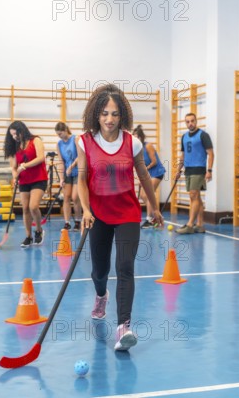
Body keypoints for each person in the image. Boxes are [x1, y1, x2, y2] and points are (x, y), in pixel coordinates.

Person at [77, 84, 163, 351]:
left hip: (127, 212)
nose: (109, 119)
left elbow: (144, 175)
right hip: (99, 214)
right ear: (96, 114)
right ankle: (101, 296)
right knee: (99, 271)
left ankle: (124, 326)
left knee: (125, 266)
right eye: (104, 113)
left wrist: (155, 206)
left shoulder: (132, 142)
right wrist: (86, 210)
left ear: (121, 115)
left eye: (114, 114)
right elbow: (81, 179)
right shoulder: (85, 141)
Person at [3, 120, 47, 248]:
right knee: (26, 208)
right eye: (11, 135)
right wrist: (15, 174)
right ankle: (28, 236)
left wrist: (24, 166)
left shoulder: (36, 140)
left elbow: (40, 158)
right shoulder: (15, 147)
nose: (14, 137)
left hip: (39, 178)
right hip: (24, 181)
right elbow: (13, 167)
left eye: (15, 134)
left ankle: (38, 230)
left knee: (33, 206)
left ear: (22, 130)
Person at [176, 113, 214, 234]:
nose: (190, 123)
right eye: (187, 121)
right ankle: (200, 224)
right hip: (188, 169)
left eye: (192, 121)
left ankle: (190, 225)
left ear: (196, 121)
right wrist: (178, 170)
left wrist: (209, 170)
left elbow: (211, 153)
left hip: (199, 168)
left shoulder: (203, 135)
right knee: (196, 197)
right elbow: (183, 154)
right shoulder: (184, 137)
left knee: (193, 195)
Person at [132, 125, 166, 229]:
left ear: (141, 137)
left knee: (148, 193)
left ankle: (149, 219)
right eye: (134, 137)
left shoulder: (148, 146)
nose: (135, 139)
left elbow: (154, 161)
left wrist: (145, 169)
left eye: (137, 136)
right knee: (143, 195)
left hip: (157, 172)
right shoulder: (135, 149)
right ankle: (155, 214)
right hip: (147, 174)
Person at [55, 122, 82, 231]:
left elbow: (81, 155)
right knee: (66, 197)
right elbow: (61, 161)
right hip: (67, 173)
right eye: (58, 135)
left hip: (78, 171)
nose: (59, 136)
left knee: (75, 197)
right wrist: (61, 178)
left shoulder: (76, 139)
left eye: (60, 134)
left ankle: (78, 221)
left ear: (66, 130)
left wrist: (72, 166)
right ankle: (67, 223)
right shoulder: (59, 144)